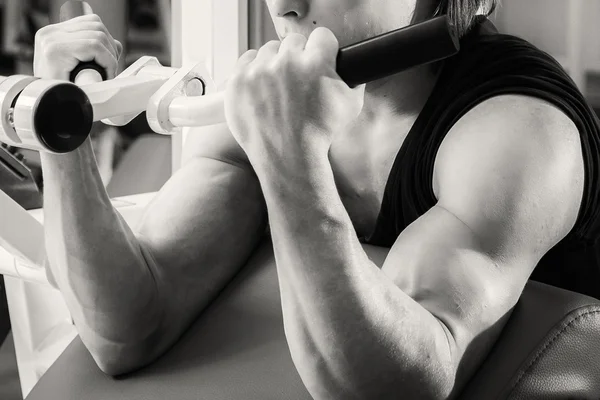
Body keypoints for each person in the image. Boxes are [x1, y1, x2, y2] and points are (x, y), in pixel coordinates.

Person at [32, 0, 600, 398]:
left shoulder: (522, 129)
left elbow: (401, 387)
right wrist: (60, 128)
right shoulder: (280, 96)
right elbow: (129, 331)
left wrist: (291, 160)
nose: (282, 6)